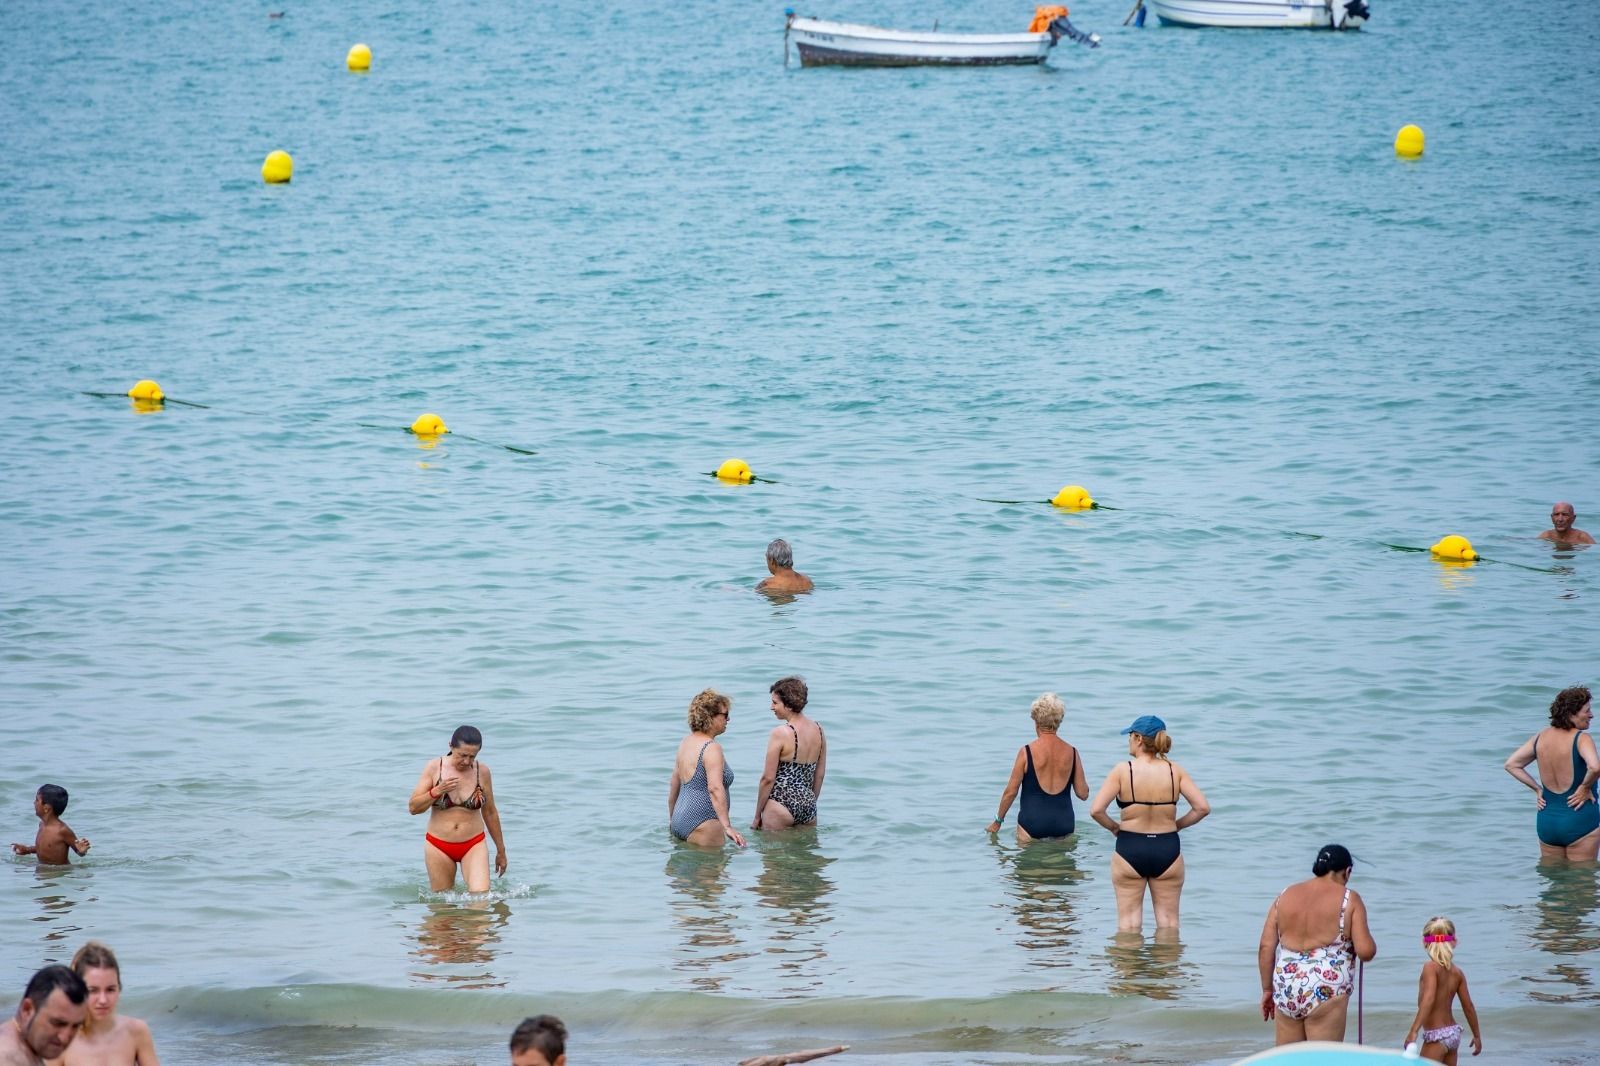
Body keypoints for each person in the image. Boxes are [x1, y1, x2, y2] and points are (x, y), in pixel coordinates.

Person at [1089, 715, 1209, 930]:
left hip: (1130, 847)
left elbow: (1097, 810)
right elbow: (1202, 808)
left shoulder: (1123, 770)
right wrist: (1177, 825)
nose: (1128, 741)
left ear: (1138, 739)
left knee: (1128, 924)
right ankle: (1166, 963)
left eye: (1129, 736)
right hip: (1167, 848)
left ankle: (1129, 964)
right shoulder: (1175, 770)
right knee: (1169, 924)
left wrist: (1115, 827)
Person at [1257, 844, 1378, 1045]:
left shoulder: (1285, 895)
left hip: (1286, 986)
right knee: (1324, 1059)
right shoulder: (1350, 899)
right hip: (1325, 989)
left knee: (1290, 1061)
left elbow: (1265, 947)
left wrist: (1267, 990)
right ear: (1347, 872)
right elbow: (1366, 951)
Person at [408, 725, 508, 893]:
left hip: (473, 843)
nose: (467, 762)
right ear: (450, 746)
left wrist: (501, 851)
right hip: (438, 845)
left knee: (480, 899)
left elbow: (490, 812)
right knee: (443, 909)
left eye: (472, 756)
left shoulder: (481, 772)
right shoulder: (434, 768)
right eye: (462, 755)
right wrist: (436, 791)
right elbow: (413, 807)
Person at [1504, 686, 1598, 862]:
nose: (1591, 715)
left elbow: (1511, 764)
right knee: (1582, 884)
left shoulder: (1541, 737)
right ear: (1571, 714)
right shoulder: (1582, 738)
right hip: (1579, 819)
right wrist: (1585, 787)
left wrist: (1537, 789)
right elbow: (1595, 767)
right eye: (1587, 711)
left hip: (1547, 820)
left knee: (1553, 884)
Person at [987, 693, 1089, 841]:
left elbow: (1011, 792)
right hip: (1064, 825)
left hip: (1032, 825)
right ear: (1059, 721)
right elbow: (1083, 794)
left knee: (1029, 863)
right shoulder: (1072, 752)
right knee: (1062, 864)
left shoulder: (1026, 752)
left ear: (1036, 721)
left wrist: (998, 822)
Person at [58, 942, 159, 1065]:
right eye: (93, 990)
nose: (103, 1000)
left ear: (119, 988)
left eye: (110, 989)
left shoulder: (136, 1031)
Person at [668, 689, 746, 848]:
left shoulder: (685, 743)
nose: (728, 719)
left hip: (679, 821)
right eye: (725, 715)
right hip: (704, 822)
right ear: (710, 717)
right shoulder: (711, 748)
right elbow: (715, 788)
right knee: (711, 872)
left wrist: (673, 819)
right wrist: (727, 827)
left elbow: (674, 785)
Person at [1403, 917, 1483, 1062]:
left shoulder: (1430, 967)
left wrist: (1413, 1031)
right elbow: (1469, 1007)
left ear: (1425, 942)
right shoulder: (1457, 972)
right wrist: (1477, 1035)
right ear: (1454, 942)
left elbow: (1429, 998)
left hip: (1437, 1036)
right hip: (1453, 1034)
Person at [753, 676, 826, 831]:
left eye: (775, 703)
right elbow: (819, 774)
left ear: (789, 705)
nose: (771, 707)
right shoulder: (819, 730)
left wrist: (757, 815)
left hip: (780, 804)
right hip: (808, 804)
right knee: (805, 854)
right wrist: (810, 802)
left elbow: (768, 778)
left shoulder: (781, 733)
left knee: (772, 855)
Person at [0, 965, 86, 1066]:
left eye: (75, 1026)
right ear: (27, 1010)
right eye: (58, 1023)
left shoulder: (26, 1047)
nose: (64, 1038)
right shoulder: (7, 1059)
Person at [11, 785, 90, 866]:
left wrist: (82, 851)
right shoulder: (41, 824)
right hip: (43, 868)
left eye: (37, 800)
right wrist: (27, 850)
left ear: (46, 808)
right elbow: (44, 848)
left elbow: (79, 852)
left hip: (58, 871)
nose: (34, 802)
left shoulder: (62, 830)